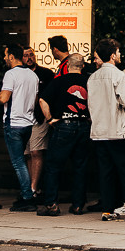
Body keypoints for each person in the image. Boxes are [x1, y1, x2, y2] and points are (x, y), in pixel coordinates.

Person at [88, 39, 125, 220]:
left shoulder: (92, 78)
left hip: (99, 132)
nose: (120, 55)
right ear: (112, 56)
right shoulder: (119, 75)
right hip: (119, 132)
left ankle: (108, 209)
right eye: (118, 53)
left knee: (106, 173)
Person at [39, 54, 93, 215]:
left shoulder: (58, 81)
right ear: (82, 66)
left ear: (67, 65)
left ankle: (51, 205)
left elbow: (42, 101)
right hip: (84, 126)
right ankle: (77, 205)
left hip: (64, 126)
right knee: (80, 166)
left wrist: (49, 119)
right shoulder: (88, 83)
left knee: (53, 166)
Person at [0, 45, 40, 210]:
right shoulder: (32, 75)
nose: (4, 58)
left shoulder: (11, 74)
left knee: (18, 162)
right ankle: (27, 194)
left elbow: (4, 98)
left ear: (10, 56)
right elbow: (35, 100)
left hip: (13, 123)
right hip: (28, 123)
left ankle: (27, 197)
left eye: (5, 55)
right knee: (22, 160)